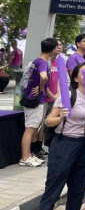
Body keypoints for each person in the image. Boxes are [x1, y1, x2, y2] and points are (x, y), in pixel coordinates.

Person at [34, 63, 85, 210]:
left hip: (84, 146)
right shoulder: (68, 95)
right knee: (53, 190)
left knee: (78, 190)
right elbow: (48, 121)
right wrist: (60, 117)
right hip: (64, 145)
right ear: (76, 78)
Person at [20, 38, 58, 167]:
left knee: (33, 128)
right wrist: (42, 87)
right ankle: (25, 157)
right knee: (30, 129)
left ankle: (29, 155)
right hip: (35, 100)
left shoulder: (36, 60)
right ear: (53, 49)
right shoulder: (43, 62)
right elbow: (44, 76)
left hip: (31, 99)